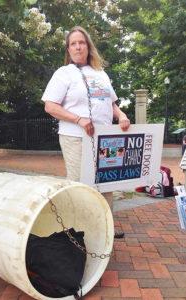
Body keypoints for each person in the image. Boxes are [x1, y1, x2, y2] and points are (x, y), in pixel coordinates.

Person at [42, 26, 130, 238]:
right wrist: (79, 119)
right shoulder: (63, 73)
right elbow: (50, 106)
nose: (78, 46)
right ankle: (79, 230)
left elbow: (111, 103)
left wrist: (122, 116)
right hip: (75, 137)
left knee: (107, 181)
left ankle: (105, 228)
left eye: (81, 42)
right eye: (73, 43)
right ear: (69, 49)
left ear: (88, 46)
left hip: (105, 139)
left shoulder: (100, 73)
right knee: (81, 183)